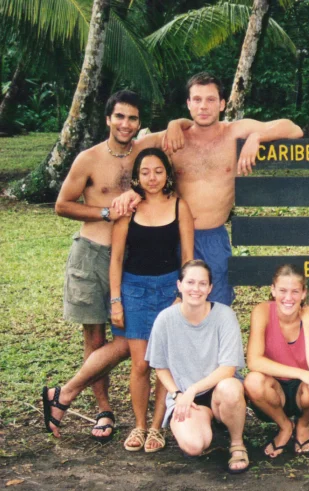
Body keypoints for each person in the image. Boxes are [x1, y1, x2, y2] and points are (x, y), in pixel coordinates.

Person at [52, 90, 191, 439]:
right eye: (119, 117)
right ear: (108, 119)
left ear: (140, 123)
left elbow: (187, 124)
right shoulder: (88, 158)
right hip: (93, 253)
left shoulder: (145, 149)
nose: (125, 124)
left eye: (132, 118)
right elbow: (62, 205)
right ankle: (104, 411)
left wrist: (176, 121)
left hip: (133, 262)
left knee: (130, 343)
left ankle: (65, 393)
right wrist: (107, 211)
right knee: (95, 337)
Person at [113, 72, 304, 306]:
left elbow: (293, 128)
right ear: (188, 104)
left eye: (211, 100)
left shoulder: (235, 132)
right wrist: (133, 190)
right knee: (171, 308)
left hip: (213, 237)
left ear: (222, 104)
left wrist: (257, 137)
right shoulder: (173, 139)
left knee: (217, 306)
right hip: (171, 235)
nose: (203, 106)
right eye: (197, 99)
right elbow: (128, 151)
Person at [109, 148, 194, 451]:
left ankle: (157, 427)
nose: (152, 178)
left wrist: (182, 296)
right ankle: (139, 425)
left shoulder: (179, 206)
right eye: (145, 172)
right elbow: (116, 258)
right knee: (140, 364)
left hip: (169, 290)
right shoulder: (128, 209)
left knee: (164, 364)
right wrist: (116, 300)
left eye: (158, 171)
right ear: (137, 176)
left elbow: (187, 256)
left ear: (167, 174)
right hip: (135, 290)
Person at [146, 260, 249, 474]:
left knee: (230, 388)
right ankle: (210, 426)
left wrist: (193, 390)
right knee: (194, 446)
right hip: (185, 397)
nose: (196, 289)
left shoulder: (224, 315)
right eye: (190, 282)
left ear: (210, 288)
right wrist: (177, 394)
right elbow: (160, 367)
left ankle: (237, 443)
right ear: (179, 285)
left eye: (203, 284)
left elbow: (228, 368)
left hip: (218, 389)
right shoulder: (165, 319)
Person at [244, 265, 309, 458]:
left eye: (295, 291)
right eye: (283, 290)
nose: (288, 298)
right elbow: (254, 361)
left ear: (303, 293)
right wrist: (301, 373)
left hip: (303, 391)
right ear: (273, 290)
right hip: (274, 388)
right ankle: (285, 426)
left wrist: (307, 323)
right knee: (253, 381)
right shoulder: (262, 311)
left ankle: (303, 424)